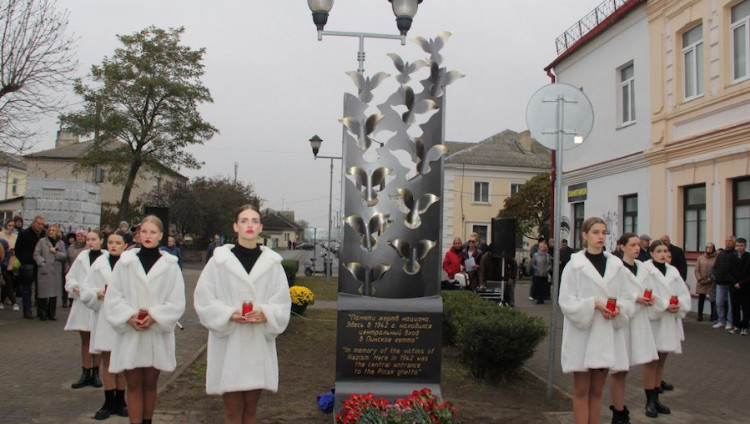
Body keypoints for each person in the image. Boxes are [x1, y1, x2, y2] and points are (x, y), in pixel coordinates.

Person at [194, 204, 292, 424]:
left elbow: (283, 303)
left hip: (257, 345)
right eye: (245, 221)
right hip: (229, 345)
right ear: (235, 226)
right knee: (231, 411)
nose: (250, 225)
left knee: (250, 411)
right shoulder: (219, 262)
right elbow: (204, 300)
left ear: (260, 228)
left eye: (254, 221)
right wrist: (229, 314)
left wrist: (266, 313)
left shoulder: (273, 265)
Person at [104, 215, 185, 424]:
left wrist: (156, 316)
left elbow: (176, 301)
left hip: (156, 334)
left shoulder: (170, 265)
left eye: (153, 232)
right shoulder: (126, 262)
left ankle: (148, 420)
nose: (148, 236)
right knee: (133, 384)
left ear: (160, 236)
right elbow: (114, 296)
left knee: (150, 385)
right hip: (131, 333)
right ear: (138, 235)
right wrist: (128, 317)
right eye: (144, 232)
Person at [559, 217, 631, 424]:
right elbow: (565, 301)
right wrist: (593, 305)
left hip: (605, 335)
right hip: (582, 335)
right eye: (596, 232)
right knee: (581, 390)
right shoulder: (575, 266)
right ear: (585, 235)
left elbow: (627, 298)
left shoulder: (616, 266)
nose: (601, 237)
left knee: (598, 391)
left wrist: (619, 309)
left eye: (604, 232)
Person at [609, 233, 658, 424]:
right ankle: (619, 412)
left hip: (640, 322)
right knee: (620, 369)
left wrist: (652, 298)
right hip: (623, 323)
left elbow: (652, 289)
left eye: (639, 245)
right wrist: (633, 298)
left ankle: (650, 400)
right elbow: (612, 293)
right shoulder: (616, 268)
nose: (637, 248)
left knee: (643, 361)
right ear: (622, 247)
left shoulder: (644, 268)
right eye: (632, 245)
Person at [80, 230, 129, 419]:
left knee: (122, 362)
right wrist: (96, 294)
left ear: (125, 245)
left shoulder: (129, 264)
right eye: (111, 242)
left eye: (118, 242)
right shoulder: (99, 264)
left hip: (124, 318)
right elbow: (86, 288)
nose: (114, 246)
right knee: (108, 361)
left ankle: (121, 400)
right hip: (105, 318)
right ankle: (109, 401)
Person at [640, 239, 690, 418]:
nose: (663, 254)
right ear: (652, 253)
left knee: (661, 360)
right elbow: (645, 294)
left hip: (669, 321)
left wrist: (679, 305)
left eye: (665, 251)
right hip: (654, 321)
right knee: (651, 361)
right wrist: (664, 305)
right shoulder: (646, 271)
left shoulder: (673, 271)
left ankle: (657, 395)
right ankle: (649, 400)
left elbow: (683, 294)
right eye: (659, 251)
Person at [64, 229, 104, 389]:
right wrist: (75, 287)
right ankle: (85, 371)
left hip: (99, 302)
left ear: (101, 240)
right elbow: (71, 276)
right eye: (88, 239)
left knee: (98, 338)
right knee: (85, 339)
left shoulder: (105, 257)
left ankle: (96, 372)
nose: (90, 242)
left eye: (94, 239)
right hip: (82, 303)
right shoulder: (82, 257)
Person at [33, 223, 67, 321]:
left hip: (56, 271)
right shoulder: (42, 241)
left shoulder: (60, 243)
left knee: (53, 294)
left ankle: (52, 313)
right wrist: (42, 263)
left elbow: (64, 256)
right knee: (43, 292)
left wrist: (55, 253)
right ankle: (42, 313)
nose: (51, 232)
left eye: (53, 230)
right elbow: (36, 254)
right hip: (45, 270)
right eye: (50, 230)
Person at [15, 215, 45, 319]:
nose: (41, 226)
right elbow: (18, 249)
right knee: (27, 288)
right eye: (39, 224)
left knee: (40, 288)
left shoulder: (43, 234)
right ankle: (27, 311)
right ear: (34, 223)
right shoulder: (24, 233)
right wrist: (24, 260)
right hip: (28, 264)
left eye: (42, 224)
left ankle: (40, 310)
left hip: (40, 264)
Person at [712, 236, 739, 330]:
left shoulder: (736, 254)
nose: (728, 243)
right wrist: (715, 276)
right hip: (720, 283)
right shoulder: (721, 254)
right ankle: (721, 320)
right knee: (719, 302)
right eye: (726, 241)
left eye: (730, 241)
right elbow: (715, 266)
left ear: (734, 243)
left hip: (731, 284)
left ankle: (729, 322)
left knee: (731, 304)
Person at [729, 238, 750, 335]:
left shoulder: (748, 257)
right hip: (734, 287)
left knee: (746, 307)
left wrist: (741, 283)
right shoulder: (732, 257)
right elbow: (729, 272)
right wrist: (734, 283)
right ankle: (736, 326)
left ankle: (745, 327)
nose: (739, 247)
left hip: (745, 287)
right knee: (735, 307)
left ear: (745, 246)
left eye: (741, 246)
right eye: (737, 245)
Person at [65, 229, 88, 309]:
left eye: (81, 236)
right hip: (72, 268)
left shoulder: (87, 247)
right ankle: (71, 302)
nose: (79, 238)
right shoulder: (71, 246)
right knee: (72, 286)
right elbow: (67, 258)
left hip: (83, 270)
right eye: (78, 236)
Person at [694, 243, 717, 322]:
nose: (709, 249)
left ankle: (712, 315)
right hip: (701, 281)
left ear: (713, 249)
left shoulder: (716, 258)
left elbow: (716, 270)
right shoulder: (700, 258)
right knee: (701, 298)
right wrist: (700, 279)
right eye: (708, 247)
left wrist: (710, 279)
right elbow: (696, 270)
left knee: (712, 299)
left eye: (711, 248)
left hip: (711, 281)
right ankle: (700, 315)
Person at [0, 219, 18, 311]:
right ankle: (14, 302)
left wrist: (14, 251)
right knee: (8, 282)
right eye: (9, 225)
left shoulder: (15, 236)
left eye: (12, 226)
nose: (11, 227)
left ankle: (2, 301)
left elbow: (18, 247)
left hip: (12, 261)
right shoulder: (1, 234)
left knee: (7, 283)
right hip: (3, 262)